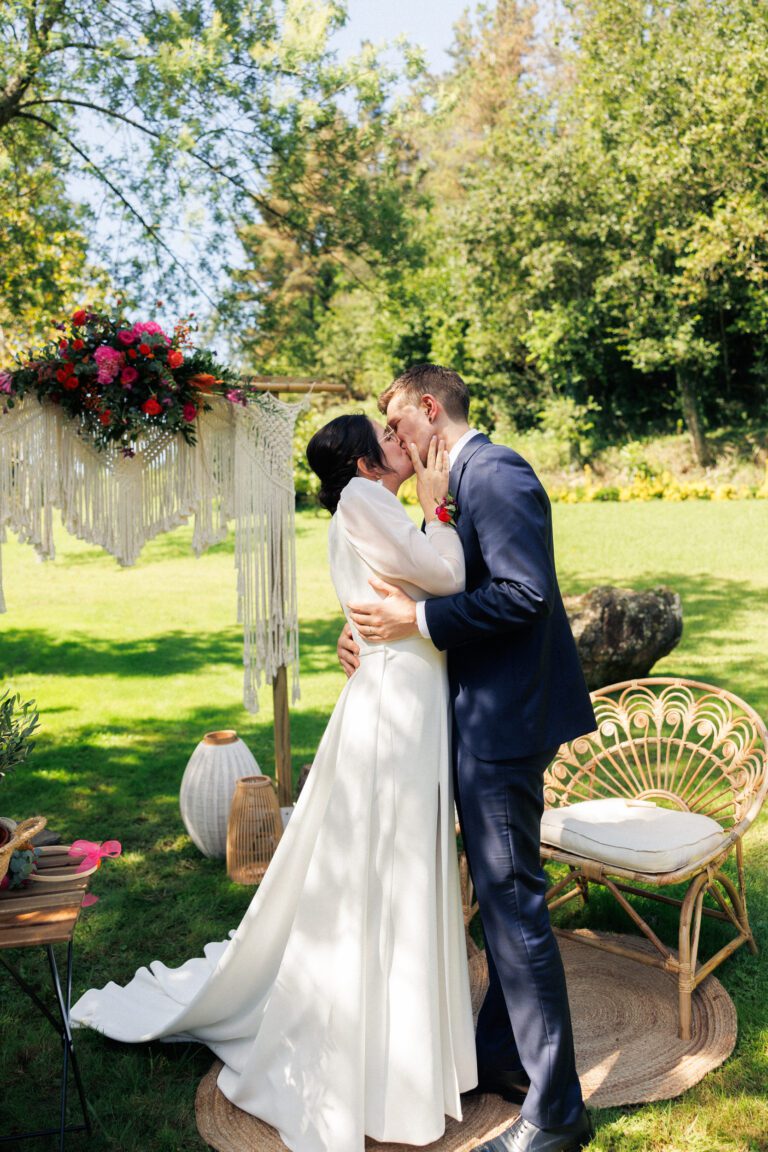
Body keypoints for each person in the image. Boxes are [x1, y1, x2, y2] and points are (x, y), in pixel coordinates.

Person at [70, 413, 478, 1152]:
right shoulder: (367, 500)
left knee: (394, 859)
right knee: (387, 860)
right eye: (385, 439)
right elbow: (445, 574)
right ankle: (377, 1050)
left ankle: (402, 1043)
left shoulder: (356, 508)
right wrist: (435, 509)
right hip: (399, 697)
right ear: (362, 462)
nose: (400, 444)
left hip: (401, 687)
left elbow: (401, 587)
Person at [344, 364, 597, 1152]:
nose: (397, 444)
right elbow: (436, 577)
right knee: (499, 899)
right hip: (474, 716)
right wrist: (374, 632)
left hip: (505, 724)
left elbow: (523, 594)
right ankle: (500, 1054)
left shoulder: (496, 471)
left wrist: (415, 620)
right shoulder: (454, 487)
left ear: (429, 409)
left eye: (399, 426)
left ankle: (557, 1115)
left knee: (515, 904)